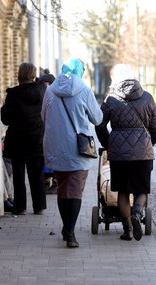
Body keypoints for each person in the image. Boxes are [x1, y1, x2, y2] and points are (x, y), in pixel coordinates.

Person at [42, 58, 103, 248]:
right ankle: (70, 232)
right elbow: (98, 118)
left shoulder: (50, 90)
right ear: (80, 71)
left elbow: (43, 116)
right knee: (75, 189)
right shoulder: (84, 90)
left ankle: (66, 228)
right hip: (79, 149)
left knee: (62, 187)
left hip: (55, 146)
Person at [95, 64, 156, 241]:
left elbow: (99, 124)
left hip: (119, 153)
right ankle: (137, 214)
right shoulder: (147, 97)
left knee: (122, 191)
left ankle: (128, 230)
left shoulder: (111, 99)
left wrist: (108, 144)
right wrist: (149, 143)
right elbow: (155, 125)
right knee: (141, 189)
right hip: (143, 153)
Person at [1, 62, 47, 215]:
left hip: (18, 139)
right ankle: (39, 206)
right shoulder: (42, 91)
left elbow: (6, 119)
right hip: (37, 138)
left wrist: (3, 106)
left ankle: (20, 207)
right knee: (37, 174)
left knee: (18, 175)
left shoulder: (13, 94)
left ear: (19, 74)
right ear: (33, 74)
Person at [38, 73, 58, 195]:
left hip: (49, 132)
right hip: (47, 132)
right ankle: (47, 182)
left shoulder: (49, 95)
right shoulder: (52, 95)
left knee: (49, 157)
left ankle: (54, 182)